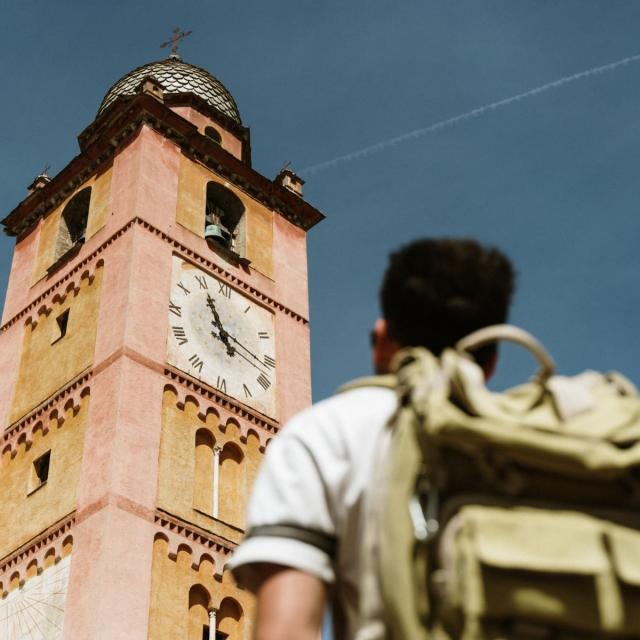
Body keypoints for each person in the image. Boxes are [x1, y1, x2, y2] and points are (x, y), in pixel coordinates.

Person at [228, 238, 515, 640]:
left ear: (382, 340)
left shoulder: (325, 434)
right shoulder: (550, 447)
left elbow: (286, 628)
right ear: (491, 362)